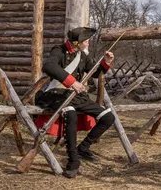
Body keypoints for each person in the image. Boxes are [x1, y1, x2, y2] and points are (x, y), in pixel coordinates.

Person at [34, 27, 115, 178]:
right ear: (77, 43)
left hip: (75, 96)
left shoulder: (82, 55)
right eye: (86, 40)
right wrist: (71, 82)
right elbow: (49, 66)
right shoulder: (59, 50)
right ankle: (73, 160)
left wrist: (106, 63)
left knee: (108, 117)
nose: (88, 42)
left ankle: (82, 148)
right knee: (70, 114)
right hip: (55, 94)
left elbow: (94, 73)